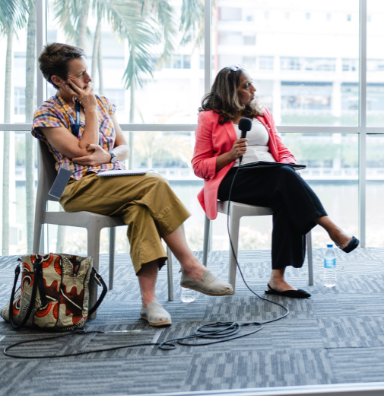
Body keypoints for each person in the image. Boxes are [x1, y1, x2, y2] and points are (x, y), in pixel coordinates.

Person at [31, 43, 233, 327]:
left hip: (115, 181)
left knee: (142, 209)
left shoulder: (102, 102)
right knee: (154, 183)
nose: (89, 79)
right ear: (58, 80)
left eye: (87, 72)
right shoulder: (48, 113)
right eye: (81, 74)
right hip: (75, 186)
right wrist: (89, 112)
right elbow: (82, 152)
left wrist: (109, 155)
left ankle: (148, 301)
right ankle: (191, 266)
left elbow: (123, 148)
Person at [192, 66, 359, 299]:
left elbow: (280, 149)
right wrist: (228, 155)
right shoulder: (209, 118)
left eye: (251, 83)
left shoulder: (261, 114)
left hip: (273, 175)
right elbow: (199, 166)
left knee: (285, 191)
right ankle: (333, 230)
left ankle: (277, 279)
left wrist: (291, 166)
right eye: (246, 85)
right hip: (235, 179)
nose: (254, 89)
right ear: (230, 91)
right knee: (284, 179)